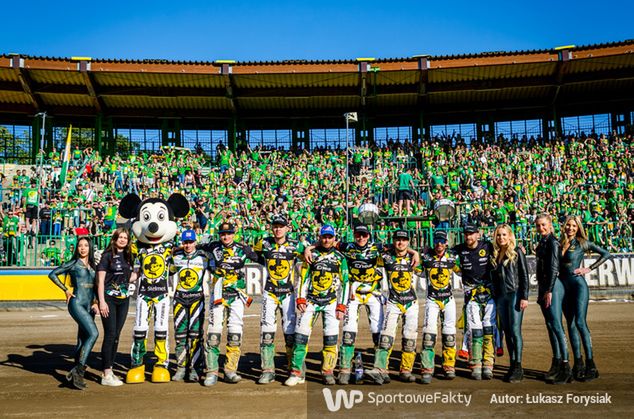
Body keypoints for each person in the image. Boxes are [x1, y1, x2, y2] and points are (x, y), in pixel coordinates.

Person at [284, 225, 350, 386]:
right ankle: (296, 372)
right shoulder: (311, 254)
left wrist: (342, 306)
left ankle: (328, 371)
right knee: (300, 338)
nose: (327, 240)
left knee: (331, 339)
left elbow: (346, 283)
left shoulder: (340, 257)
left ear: (334, 238)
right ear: (319, 237)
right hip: (311, 301)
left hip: (331, 302)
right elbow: (303, 278)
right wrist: (300, 298)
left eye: (329, 237)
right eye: (324, 237)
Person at [200, 222, 259, 386]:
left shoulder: (244, 249)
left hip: (237, 296)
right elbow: (193, 248)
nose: (226, 237)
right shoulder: (212, 246)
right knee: (213, 332)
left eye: (229, 233)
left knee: (235, 332)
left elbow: (261, 258)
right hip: (218, 294)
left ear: (234, 234)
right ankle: (211, 371)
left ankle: (230, 370)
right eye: (223, 234)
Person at [253, 215, 305, 384]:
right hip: (269, 293)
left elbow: (308, 252)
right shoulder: (264, 243)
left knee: (290, 332)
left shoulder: (295, 245)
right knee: (267, 332)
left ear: (287, 228)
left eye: (281, 226)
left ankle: (294, 367)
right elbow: (252, 253)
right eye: (275, 226)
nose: (278, 229)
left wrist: (310, 249)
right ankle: (267, 369)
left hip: (288, 293)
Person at [559, 215, 612, 381]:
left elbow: (606, 254)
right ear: (564, 226)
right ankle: (578, 364)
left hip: (578, 286)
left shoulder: (583, 242)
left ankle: (591, 364)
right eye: (568, 225)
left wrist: (588, 269)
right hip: (563, 288)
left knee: (580, 322)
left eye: (574, 226)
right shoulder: (559, 243)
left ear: (578, 227)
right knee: (571, 325)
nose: (571, 228)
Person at [365, 230, 421, 384]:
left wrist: (414, 252)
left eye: (404, 240)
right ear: (393, 241)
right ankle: (381, 369)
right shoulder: (386, 256)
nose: (401, 243)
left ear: (408, 242)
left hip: (411, 302)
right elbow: (373, 249)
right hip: (393, 302)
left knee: (410, 337)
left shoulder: (413, 258)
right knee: (386, 337)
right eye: (398, 240)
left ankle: (406, 370)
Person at [47, 236, 99, 389]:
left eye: (85, 246)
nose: (82, 248)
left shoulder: (93, 266)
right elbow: (52, 274)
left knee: (82, 339)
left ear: (90, 248)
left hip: (90, 306)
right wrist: (66, 290)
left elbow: (95, 288)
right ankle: (79, 369)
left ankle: (75, 375)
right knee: (94, 334)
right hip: (77, 303)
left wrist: (95, 302)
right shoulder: (74, 263)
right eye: (80, 246)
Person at [452, 223, 496, 380]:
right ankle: (475, 362)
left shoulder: (488, 245)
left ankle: (489, 363)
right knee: (474, 329)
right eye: (466, 234)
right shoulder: (459, 249)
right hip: (470, 293)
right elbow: (441, 251)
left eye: (472, 233)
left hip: (489, 292)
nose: (469, 237)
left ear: (478, 234)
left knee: (489, 328)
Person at [170, 229, 212, 382]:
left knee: (196, 335)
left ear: (195, 242)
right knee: (180, 335)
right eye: (185, 242)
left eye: (190, 242)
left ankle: (195, 367)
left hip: (196, 299)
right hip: (179, 299)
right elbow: (167, 272)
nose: (188, 245)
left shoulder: (204, 258)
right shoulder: (176, 257)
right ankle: (181, 367)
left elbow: (217, 269)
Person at [420, 230, 461, 384]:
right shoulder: (426, 257)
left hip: (448, 299)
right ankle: (427, 366)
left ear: (446, 242)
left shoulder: (452, 257)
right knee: (429, 332)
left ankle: (449, 365)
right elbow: (415, 270)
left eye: (442, 241)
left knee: (449, 333)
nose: (439, 244)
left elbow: (464, 271)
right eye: (437, 240)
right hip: (432, 299)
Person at [535, 214, 571, 385]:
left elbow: (554, 268)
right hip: (545, 286)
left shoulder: (553, 242)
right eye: (538, 226)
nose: (541, 228)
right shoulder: (543, 242)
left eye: (543, 225)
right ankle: (556, 362)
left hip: (552, 287)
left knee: (556, 325)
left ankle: (566, 366)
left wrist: (549, 290)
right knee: (550, 325)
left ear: (550, 225)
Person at [96, 228, 135, 386]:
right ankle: (106, 373)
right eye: (120, 237)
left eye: (125, 238)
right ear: (115, 239)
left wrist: (142, 273)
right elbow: (100, 281)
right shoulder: (107, 256)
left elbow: (128, 278)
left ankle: (110, 369)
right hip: (109, 299)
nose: (123, 240)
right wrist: (101, 301)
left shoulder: (128, 256)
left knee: (117, 335)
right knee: (110, 334)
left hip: (124, 299)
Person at [491, 224, 529, 383]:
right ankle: (512, 365)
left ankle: (519, 366)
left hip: (514, 294)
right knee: (506, 331)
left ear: (510, 236)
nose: (501, 238)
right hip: (501, 297)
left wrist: (524, 296)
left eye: (504, 235)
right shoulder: (494, 254)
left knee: (515, 330)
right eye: (499, 235)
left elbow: (524, 275)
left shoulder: (517, 252)